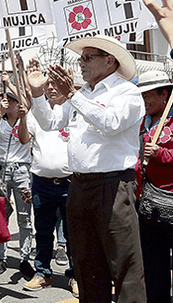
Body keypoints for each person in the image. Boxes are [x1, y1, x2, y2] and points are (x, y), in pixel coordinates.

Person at [28, 34, 146, 302]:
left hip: (113, 186)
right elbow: (50, 122)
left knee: (125, 264)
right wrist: (37, 93)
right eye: (80, 58)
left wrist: (71, 94)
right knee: (87, 264)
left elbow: (111, 122)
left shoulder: (126, 92)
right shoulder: (83, 94)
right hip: (80, 186)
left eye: (87, 58)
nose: (81, 63)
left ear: (109, 60)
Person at [22, 79, 78, 297]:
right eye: (47, 84)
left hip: (69, 183)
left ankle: (75, 276)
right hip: (41, 184)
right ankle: (43, 273)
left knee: (73, 233)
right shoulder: (36, 112)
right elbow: (24, 139)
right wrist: (23, 116)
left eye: (56, 83)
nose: (51, 88)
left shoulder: (74, 109)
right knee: (43, 231)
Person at [131, 70, 173, 303]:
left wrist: (162, 154)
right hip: (146, 203)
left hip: (170, 200)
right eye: (141, 95)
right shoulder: (142, 123)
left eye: (148, 95)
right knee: (153, 264)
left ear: (164, 94)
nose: (143, 101)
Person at [0, 90, 34, 278]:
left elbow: (25, 138)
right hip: (1, 169)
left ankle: (24, 257)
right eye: (5, 100)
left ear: (19, 104)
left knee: (24, 216)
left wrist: (23, 119)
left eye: (11, 100)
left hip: (22, 170)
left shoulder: (28, 119)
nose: (7, 103)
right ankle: (1, 256)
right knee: (1, 214)